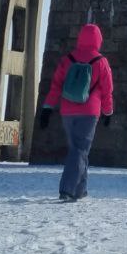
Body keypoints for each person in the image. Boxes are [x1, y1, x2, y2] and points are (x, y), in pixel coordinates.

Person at [39, 22, 113, 202]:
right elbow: (107, 90)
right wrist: (108, 112)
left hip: (67, 110)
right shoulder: (101, 62)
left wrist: (48, 108)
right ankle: (67, 189)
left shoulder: (68, 59)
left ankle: (80, 189)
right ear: (98, 40)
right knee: (80, 150)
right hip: (89, 111)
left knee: (78, 150)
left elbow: (56, 86)